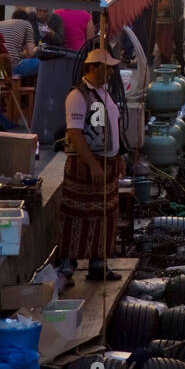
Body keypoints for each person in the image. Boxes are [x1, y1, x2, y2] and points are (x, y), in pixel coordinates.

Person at [57, 49, 125, 283]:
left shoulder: (103, 93)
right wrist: (93, 164)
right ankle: (67, 265)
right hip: (86, 166)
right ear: (94, 67)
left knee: (105, 215)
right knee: (77, 215)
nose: (112, 71)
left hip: (108, 163)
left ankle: (98, 263)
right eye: (108, 67)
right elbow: (75, 133)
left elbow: (112, 126)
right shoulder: (78, 96)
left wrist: (119, 155)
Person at [0, 9, 37, 78]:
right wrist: (39, 47)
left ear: (12, 17)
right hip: (12, 67)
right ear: (27, 20)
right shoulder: (26, 24)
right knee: (42, 63)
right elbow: (31, 53)